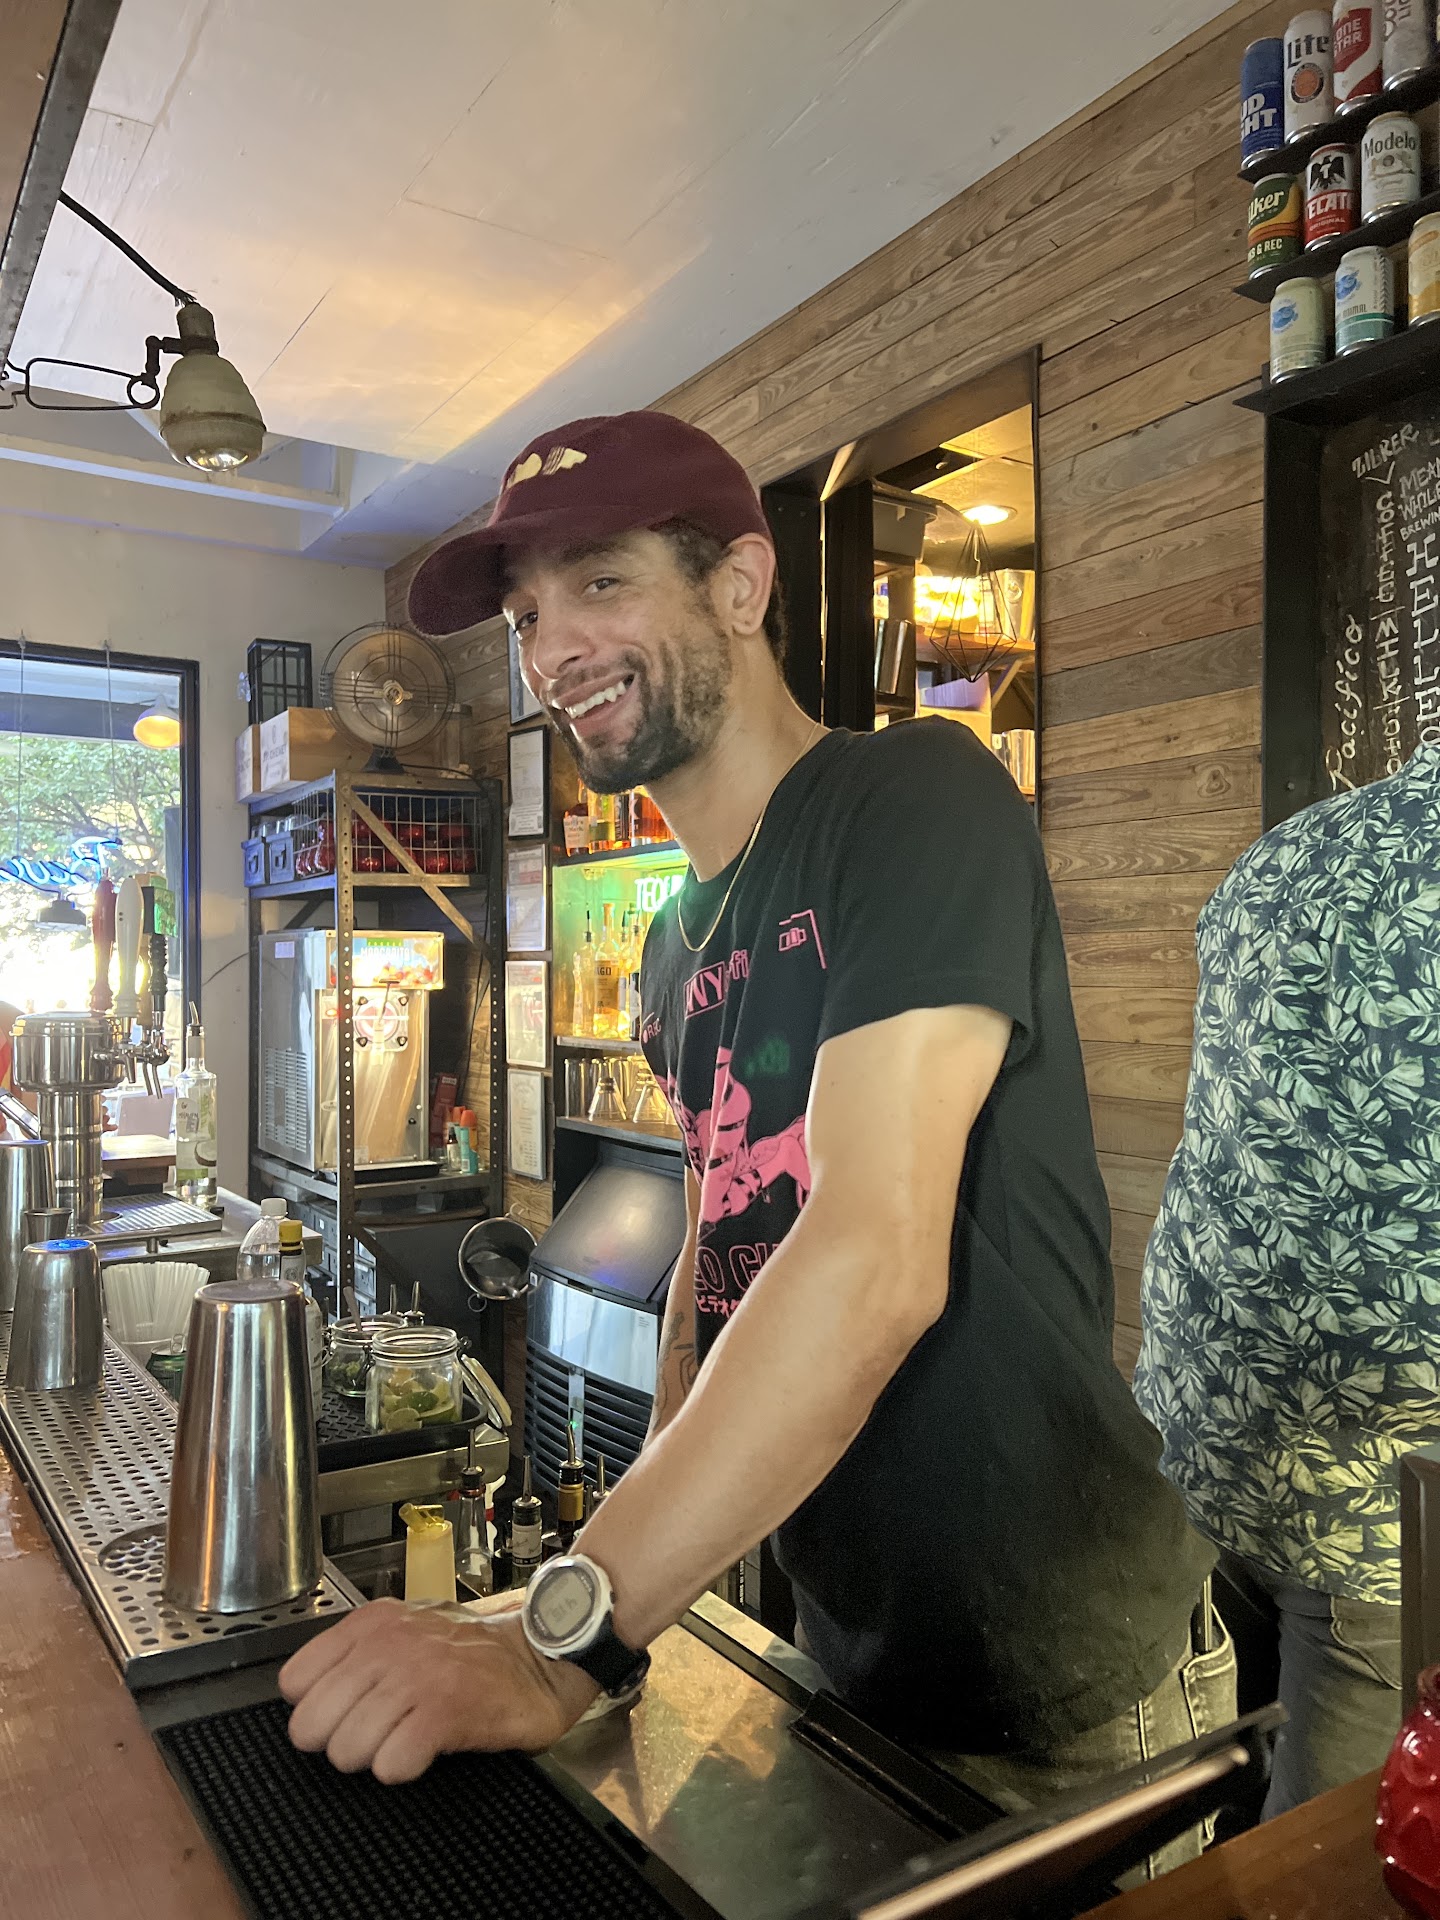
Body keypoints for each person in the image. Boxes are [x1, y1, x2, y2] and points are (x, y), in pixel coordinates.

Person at [280, 412, 1230, 1841]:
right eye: (528, 616)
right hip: (846, 1653)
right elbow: (717, 1251)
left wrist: (561, 1640)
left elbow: (874, 1253)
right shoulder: (673, 946)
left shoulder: (911, 796)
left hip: (1060, 1668)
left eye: (601, 582)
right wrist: (635, 1589)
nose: (552, 650)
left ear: (739, 583)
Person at [1135, 746, 1440, 1819]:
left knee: (1192, 1788)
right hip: (1374, 1496)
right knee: (1318, 1867)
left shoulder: (1279, 855)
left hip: (1196, 1415)